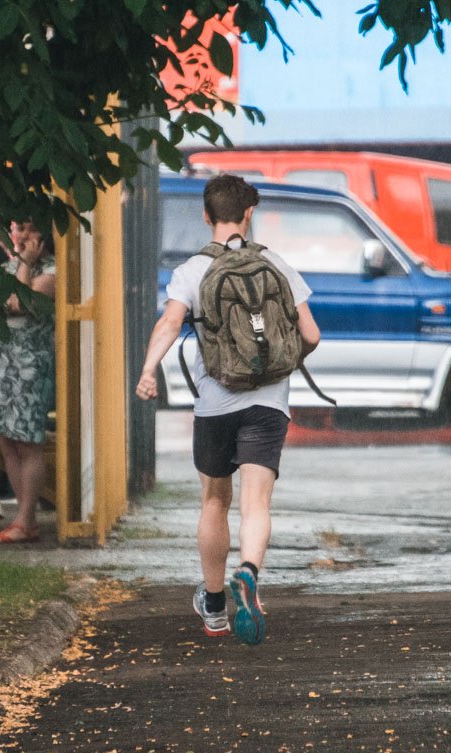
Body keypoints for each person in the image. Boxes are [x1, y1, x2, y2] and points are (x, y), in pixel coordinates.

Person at [134, 174, 321, 644]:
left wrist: (149, 371)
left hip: (215, 402)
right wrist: (280, 363)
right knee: (256, 502)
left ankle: (215, 606)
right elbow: (311, 335)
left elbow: (169, 323)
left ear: (206, 216)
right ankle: (249, 570)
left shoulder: (192, 271)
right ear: (248, 214)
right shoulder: (275, 263)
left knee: (215, 500)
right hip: (268, 402)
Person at [0, 222, 56, 544]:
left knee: (27, 441)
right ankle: (24, 518)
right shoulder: (7, 268)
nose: (24, 236)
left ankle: (26, 519)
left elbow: (20, 303)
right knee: (7, 440)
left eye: (31, 230)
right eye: (20, 229)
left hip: (29, 368)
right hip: (2, 368)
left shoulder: (51, 271)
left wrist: (25, 264)